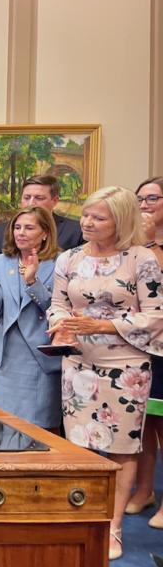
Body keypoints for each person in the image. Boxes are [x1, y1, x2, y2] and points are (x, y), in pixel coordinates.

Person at [46, 186, 163, 560]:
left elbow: (156, 315)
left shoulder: (141, 259)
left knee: (120, 449)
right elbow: (57, 305)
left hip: (126, 367)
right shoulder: (70, 258)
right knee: (80, 445)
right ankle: (83, 520)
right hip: (78, 365)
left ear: (120, 221)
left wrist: (105, 326)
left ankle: (111, 529)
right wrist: (60, 324)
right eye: (85, 216)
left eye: (98, 218)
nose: (87, 223)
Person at [0, 206, 62, 432]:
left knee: (41, 429)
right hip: (6, 355)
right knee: (5, 424)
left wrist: (32, 283)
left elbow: (57, 309)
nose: (21, 232)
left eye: (29, 228)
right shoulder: (1, 261)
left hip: (40, 356)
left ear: (45, 232)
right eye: (17, 227)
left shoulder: (60, 262)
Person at [0, 174, 84, 368]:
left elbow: (74, 295)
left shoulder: (75, 232)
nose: (21, 233)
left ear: (55, 201)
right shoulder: (1, 232)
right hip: (4, 337)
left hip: (45, 337)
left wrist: (33, 281)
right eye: (26, 197)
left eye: (39, 198)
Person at [125, 176, 163, 528]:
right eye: (140, 199)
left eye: (153, 198)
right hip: (140, 346)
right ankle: (144, 490)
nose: (145, 204)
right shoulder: (137, 247)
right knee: (145, 422)